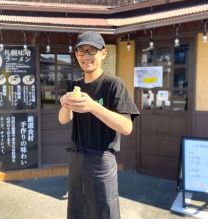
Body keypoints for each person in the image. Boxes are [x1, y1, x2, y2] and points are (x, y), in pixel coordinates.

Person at [58, 31, 140, 219]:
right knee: (78, 210)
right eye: (81, 51)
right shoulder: (74, 85)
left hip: (102, 160)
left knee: (104, 212)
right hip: (77, 158)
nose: (86, 56)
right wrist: (65, 105)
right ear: (76, 55)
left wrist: (94, 106)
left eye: (91, 51)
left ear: (103, 53)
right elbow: (63, 119)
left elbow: (127, 127)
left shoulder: (114, 84)